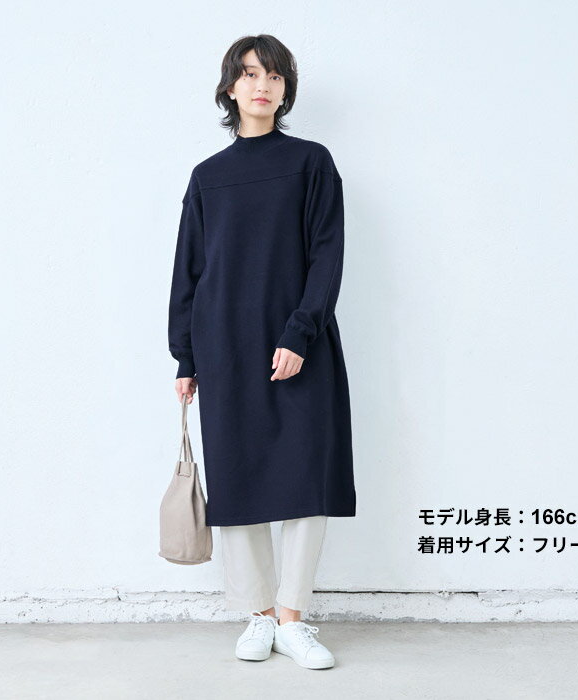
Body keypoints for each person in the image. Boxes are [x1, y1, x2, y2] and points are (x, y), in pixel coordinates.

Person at [168, 34, 356, 670]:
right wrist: (185, 357)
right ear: (231, 87)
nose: (262, 85)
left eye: (274, 76)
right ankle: (259, 615)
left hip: (300, 344)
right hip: (224, 346)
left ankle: (293, 618)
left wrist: (300, 333)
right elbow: (189, 271)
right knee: (239, 479)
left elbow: (326, 255)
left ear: (285, 89)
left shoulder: (311, 163)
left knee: (307, 479)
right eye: (250, 74)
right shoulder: (208, 177)